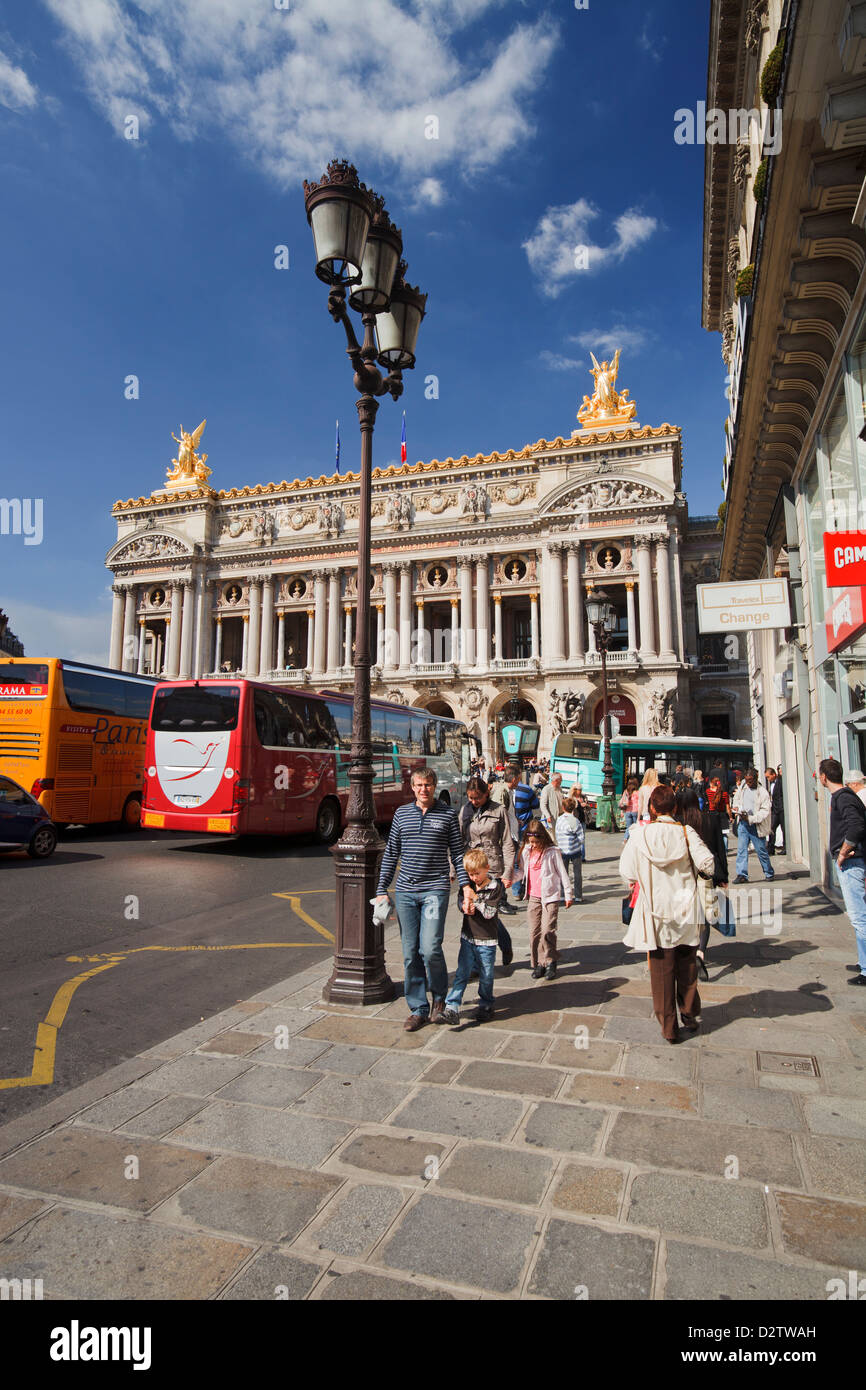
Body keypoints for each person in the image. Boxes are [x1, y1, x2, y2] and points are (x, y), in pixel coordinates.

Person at [375, 769, 471, 1031]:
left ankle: (439, 998)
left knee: (429, 948)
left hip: (434, 890)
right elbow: (391, 853)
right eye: (418, 785)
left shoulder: (448, 815)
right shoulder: (402, 814)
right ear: (412, 787)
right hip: (406, 892)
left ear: (434, 785)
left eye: (428, 785)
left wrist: (466, 886)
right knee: (410, 954)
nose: (423, 789)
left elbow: (459, 855)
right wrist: (382, 888)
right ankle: (418, 1008)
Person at [619, 783, 716, 1043]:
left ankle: (668, 1027)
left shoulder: (639, 836)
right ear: (674, 808)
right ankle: (689, 1012)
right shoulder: (686, 834)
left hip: (654, 912)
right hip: (684, 909)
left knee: (661, 971)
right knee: (686, 964)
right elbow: (708, 863)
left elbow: (626, 872)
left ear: (651, 808)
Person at [459, 777, 517, 968]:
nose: (474, 801)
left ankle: (504, 943)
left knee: (489, 912)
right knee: (473, 913)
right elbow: (458, 841)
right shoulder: (465, 811)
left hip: (493, 869)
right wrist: (455, 869)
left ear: (486, 794)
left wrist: (508, 872)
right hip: (472, 869)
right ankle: (476, 964)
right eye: (470, 797)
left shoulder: (498, 810)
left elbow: (508, 842)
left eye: (477, 798)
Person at [818, 758, 866, 987]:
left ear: (824, 777)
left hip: (852, 862)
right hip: (852, 862)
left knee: (859, 916)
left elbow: (856, 826)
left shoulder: (843, 797)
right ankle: (863, 961)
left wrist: (844, 851)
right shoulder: (844, 796)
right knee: (858, 915)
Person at [442, 849, 503, 1025]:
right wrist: (464, 906)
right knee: (462, 972)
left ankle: (485, 1003)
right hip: (468, 936)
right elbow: (461, 901)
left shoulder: (495, 887)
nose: (474, 877)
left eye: (477, 873)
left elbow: (490, 913)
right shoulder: (468, 885)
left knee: (486, 974)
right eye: (471, 874)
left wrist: (475, 899)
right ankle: (451, 1006)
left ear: (487, 868)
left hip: (487, 939)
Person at [677, 787, 728, 983]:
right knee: (705, 914)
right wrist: (723, 875)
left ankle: (686, 952)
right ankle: (700, 953)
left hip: (685, 873)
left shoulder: (679, 823)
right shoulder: (710, 819)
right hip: (707, 873)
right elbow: (719, 849)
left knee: (686, 913)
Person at [517, 818, 572, 979]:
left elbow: (562, 873)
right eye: (530, 841)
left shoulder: (552, 852)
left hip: (550, 897)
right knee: (534, 932)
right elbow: (522, 872)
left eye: (535, 842)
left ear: (542, 838)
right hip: (533, 896)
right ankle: (538, 964)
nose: (532, 845)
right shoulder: (526, 851)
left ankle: (550, 962)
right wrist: (509, 878)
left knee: (547, 931)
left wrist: (568, 893)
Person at [488, 764, 521, 914]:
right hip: (504, 837)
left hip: (510, 833)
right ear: (513, 779)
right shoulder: (502, 791)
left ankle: (503, 899)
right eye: (519, 779)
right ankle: (499, 901)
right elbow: (498, 814)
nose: (519, 782)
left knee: (507, 866)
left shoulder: (507, 791)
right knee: (502, 868)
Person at [731, 767, 774, 883]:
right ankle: (742, 874)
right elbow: (737, 798)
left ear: (755, 779)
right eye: (746, 780)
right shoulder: (743, 786)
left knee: (761, 850)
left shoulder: (763, 793)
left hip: (756, 825)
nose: (748, 783)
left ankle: (768, 872)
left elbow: (765, 812)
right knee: (741, 850)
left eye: (750, 781)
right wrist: (736, 807)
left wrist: (751, 818)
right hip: (743, 824)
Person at [555, 797, 585, 903]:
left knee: (563, 873)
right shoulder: (575, 821)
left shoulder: (559, 819)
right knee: (577, 873)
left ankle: (563, 895)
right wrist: (577, 843)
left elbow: (557, 834)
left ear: (563, 807)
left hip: (562, 850)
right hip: (575, 850)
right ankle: (578, 895)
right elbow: (581, 837)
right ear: (573, 808)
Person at [706, 774, 732, 852]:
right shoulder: (725, 794)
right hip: (722, 814)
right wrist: (730, 816)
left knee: (713, 833)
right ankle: (725, 850)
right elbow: (728, 807)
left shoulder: (708, 792)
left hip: (712, 813)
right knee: (724, 834)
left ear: (711, 783)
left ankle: (716, 850)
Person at [765, 767, 784, 855]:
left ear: (773, 774)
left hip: (781, 809)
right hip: (775, 809)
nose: (768, 779)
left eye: (768, 777)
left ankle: (785, 847)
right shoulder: (771, 783)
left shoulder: (780, 781)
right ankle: (770, 848)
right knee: (772, 828)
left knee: (784, 828)